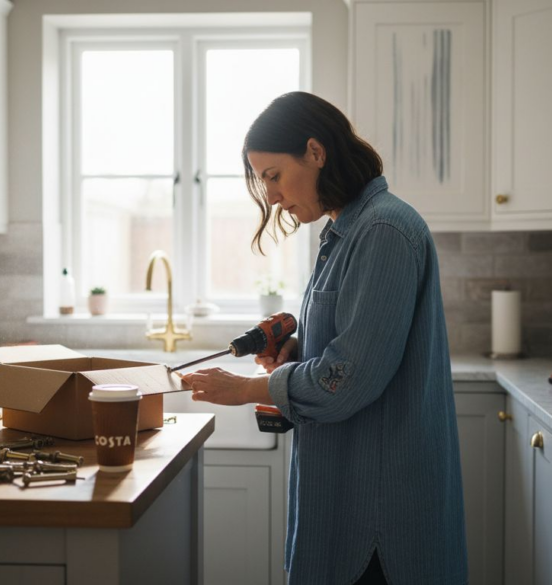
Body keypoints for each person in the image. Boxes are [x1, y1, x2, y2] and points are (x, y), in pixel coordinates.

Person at [181, 91, 468, 585]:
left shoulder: (382, 231)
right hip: (349, 497)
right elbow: (350, 348)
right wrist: (298, 351)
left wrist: (246, 389)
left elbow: (348, 380)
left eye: (273, 175)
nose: (270, 195)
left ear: (315, 152)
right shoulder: (346, 230)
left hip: (378, 518)